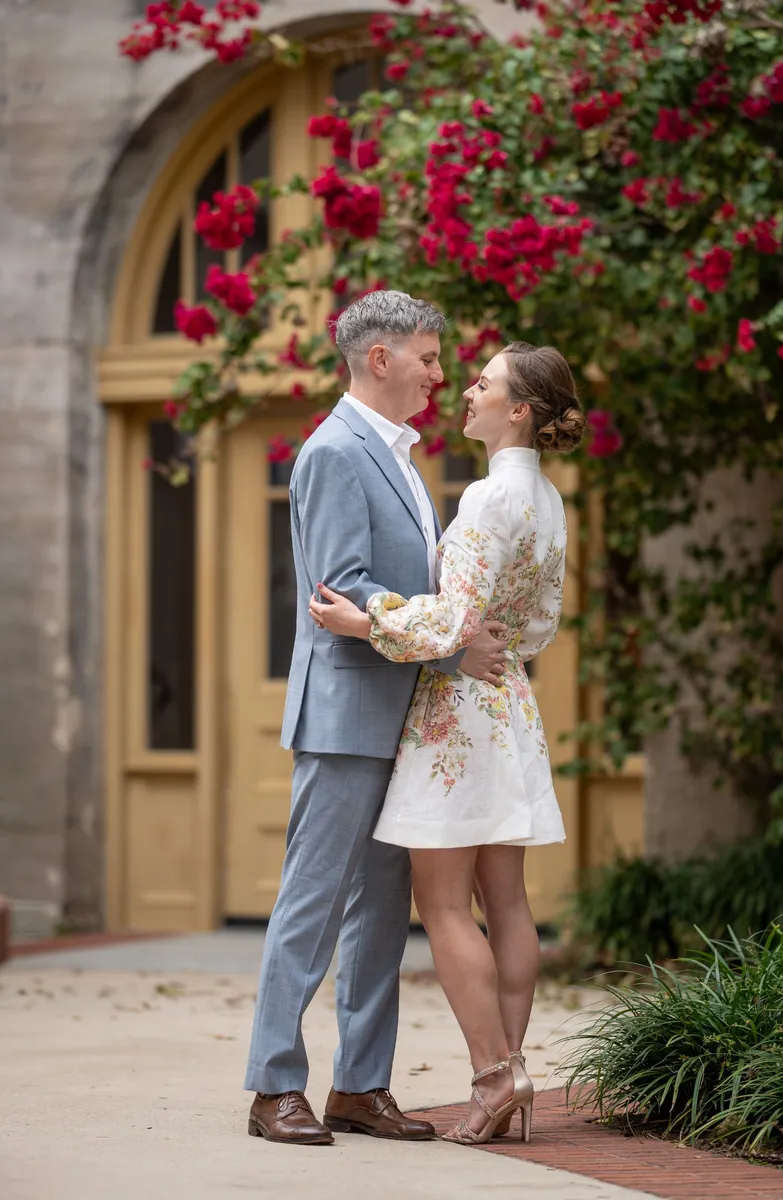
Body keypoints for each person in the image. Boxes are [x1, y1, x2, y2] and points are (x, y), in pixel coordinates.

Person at [244, 290, 511, 1146]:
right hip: (345, 717)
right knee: (312, 905)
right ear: (381, 358)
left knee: (379, 913)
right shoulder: (332, 451)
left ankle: (360, 1085)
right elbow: (342, 588)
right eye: (431, 357)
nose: (442, 373)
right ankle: (272, 1086)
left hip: (404, 721)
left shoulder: (403, 455)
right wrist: (449, 647)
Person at [310, 341, 585, 1145]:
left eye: (484, 384)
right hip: (511, 708)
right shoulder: (551, 504)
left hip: (455, 717)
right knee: (507, 900)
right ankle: (516, 1067)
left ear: (520, 411)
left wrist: (367, 620)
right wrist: (489, 638)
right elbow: (539, 626)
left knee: (442, 904)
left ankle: (495, 1078)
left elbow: (453, 621)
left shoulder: (486, 500)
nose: (465, 391)